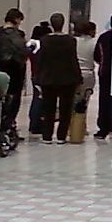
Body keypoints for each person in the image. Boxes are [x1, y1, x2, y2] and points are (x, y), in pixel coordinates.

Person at [37, 13, 82, 144]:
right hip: (67, 79)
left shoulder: (44, 40)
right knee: (65, 108)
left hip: (48, 78)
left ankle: (47, 135)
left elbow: (41, 60)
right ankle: (61, 136)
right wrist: (78, 78)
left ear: (51, 25)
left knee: (48, 108)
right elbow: (73, 60)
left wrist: (37, 77)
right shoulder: (70, 40)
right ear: (64, 24)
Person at [0, 8, 29, 135]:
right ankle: (9, 123)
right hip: (14, 71)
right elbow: (22, 52)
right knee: (14, 99)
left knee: (0, 97)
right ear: (16, 19)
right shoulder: (16, 35)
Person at [28, 21, 52, 137]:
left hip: (34, 74)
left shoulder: (31, 46)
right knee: (39, 100)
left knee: (36, 98)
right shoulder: (42, 46)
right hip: (42, 75)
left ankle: (34, 122)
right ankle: (36, 124)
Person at [74, 21, 97, 109]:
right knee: (84, 104)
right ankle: (81, 121)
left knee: (73, 102)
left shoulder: (74, 41)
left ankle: (72, 121)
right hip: (89, 74)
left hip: (75, 74)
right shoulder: (94, 43)